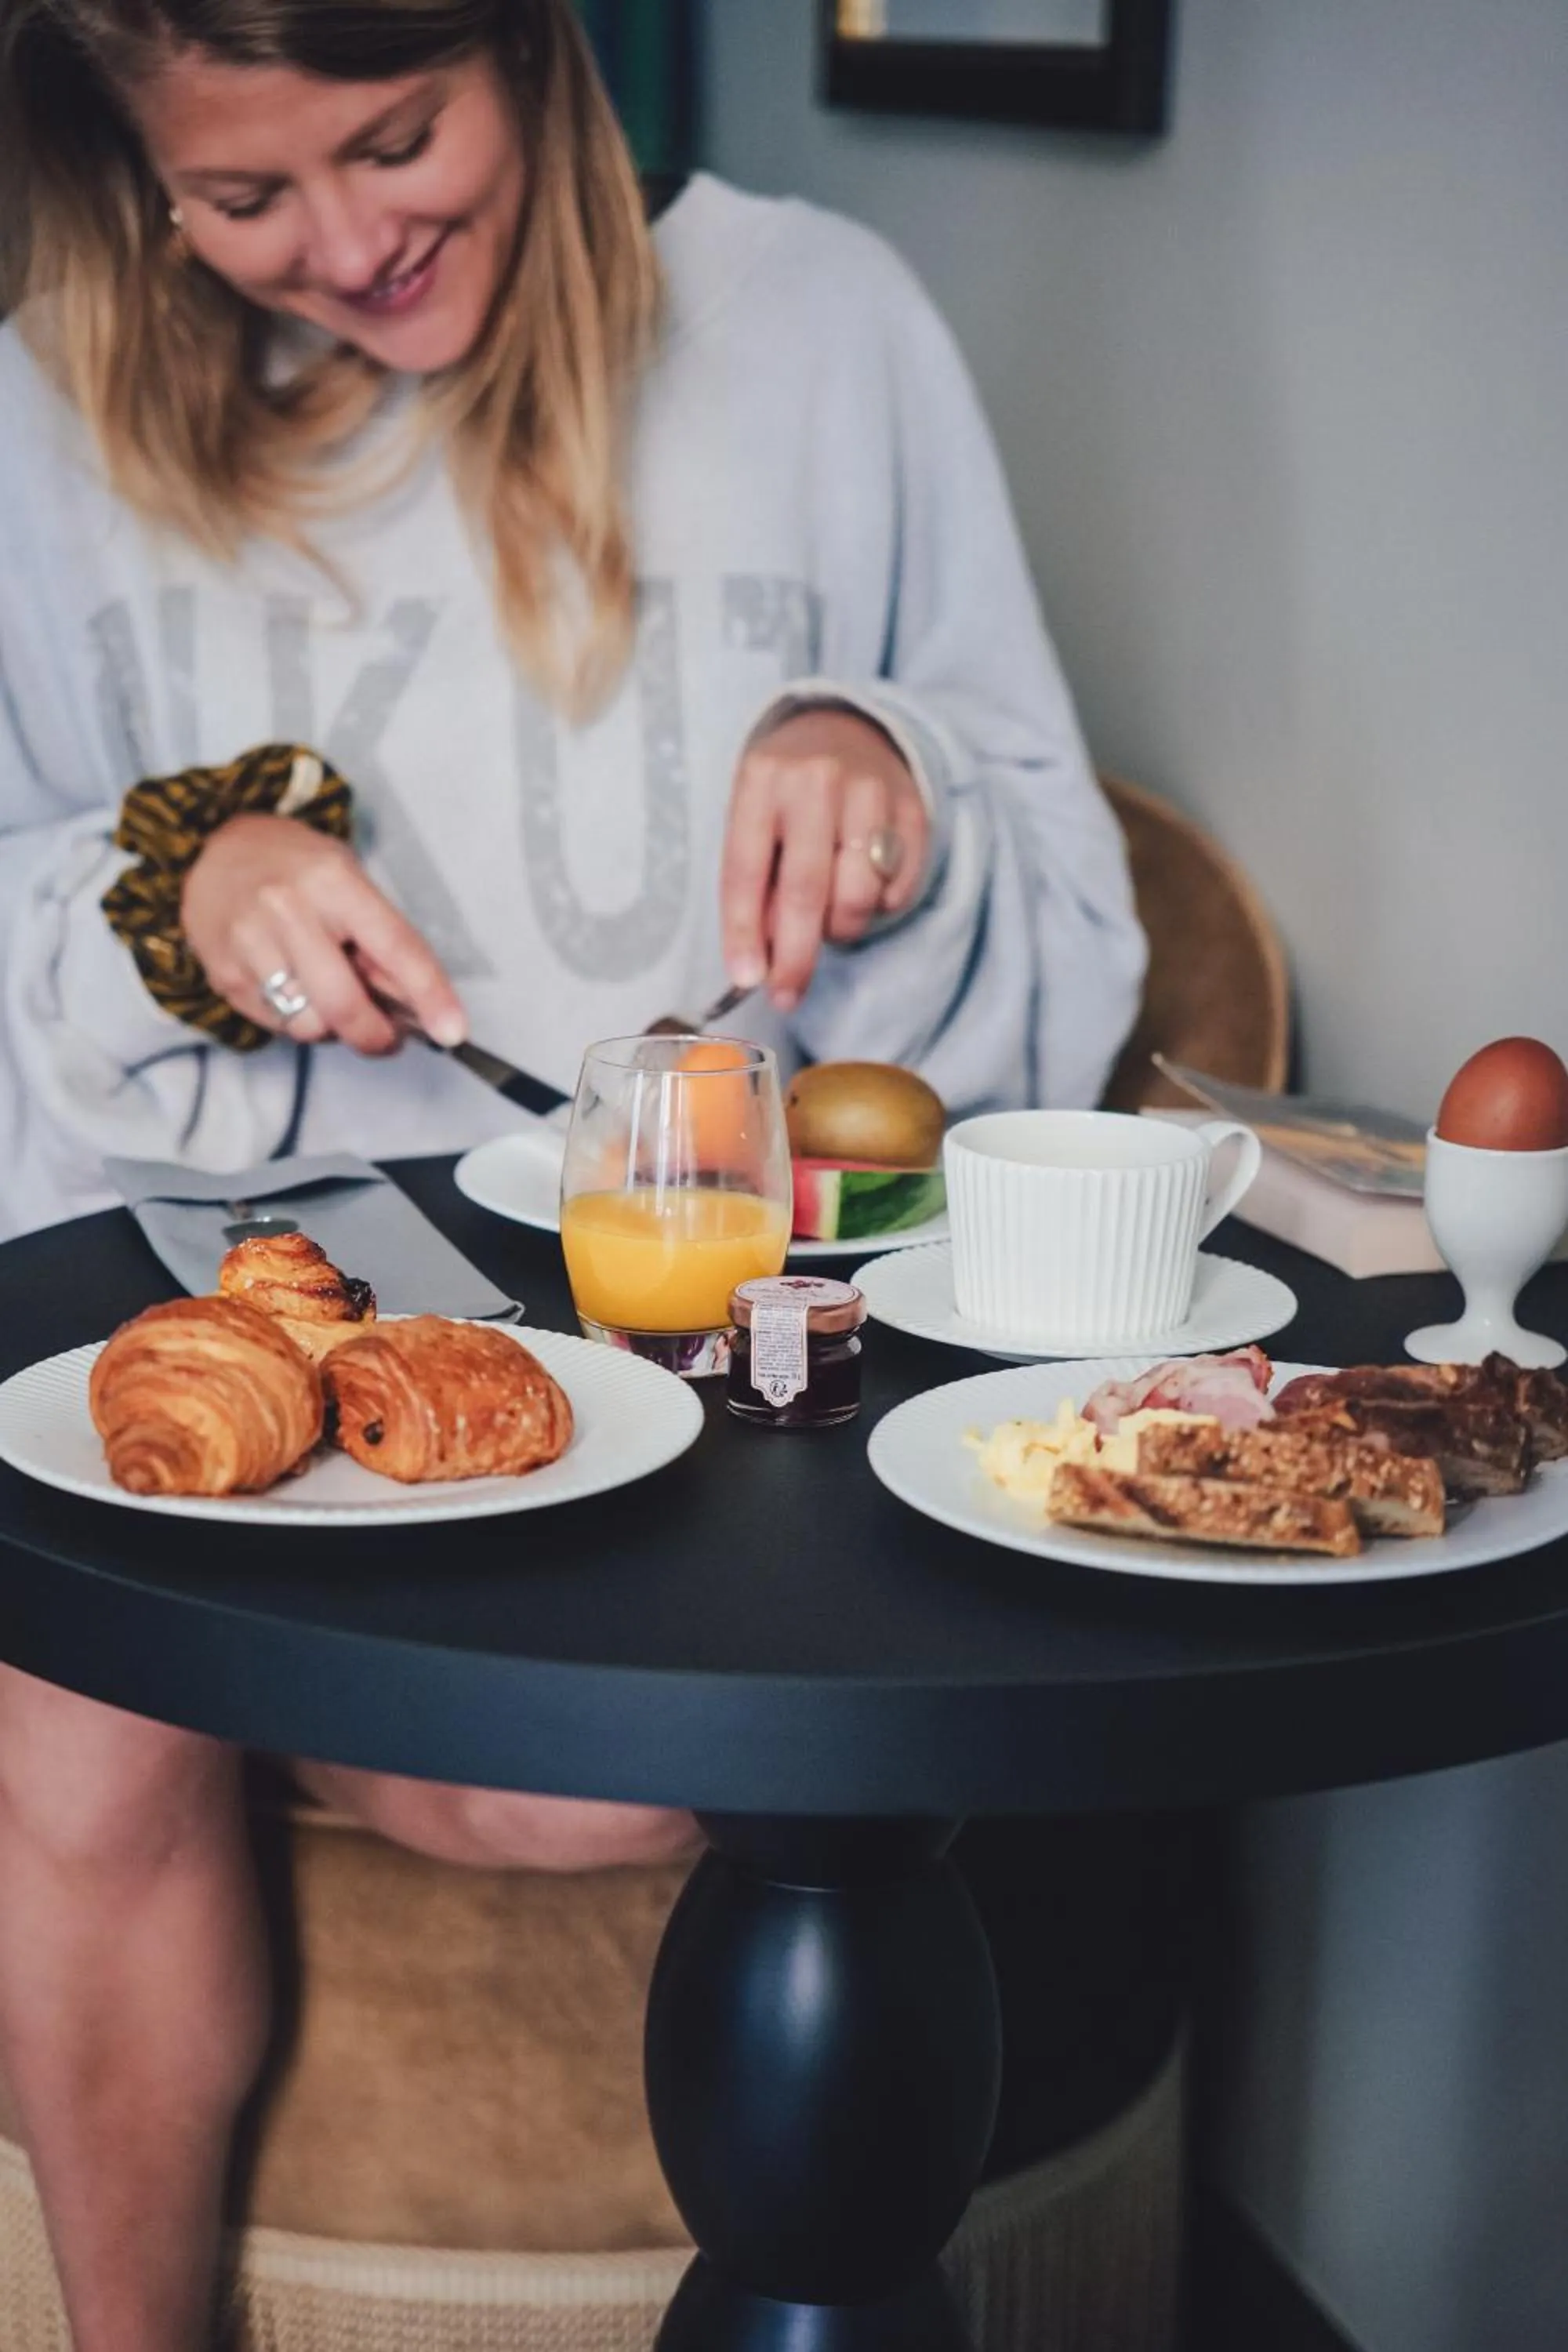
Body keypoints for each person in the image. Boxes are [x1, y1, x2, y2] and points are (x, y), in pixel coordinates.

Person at [0, 1, 1146, 2344]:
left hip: (718, 1319)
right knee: (78, 1704)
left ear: (532, 47)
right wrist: (173, 898)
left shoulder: (825, 330)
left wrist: (882, 760)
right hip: (252, 1283)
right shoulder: (41, 415)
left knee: (599, 1782)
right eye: (243, 198)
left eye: (399, 136)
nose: (343, 244)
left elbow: (1072, 910)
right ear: (136, 183)